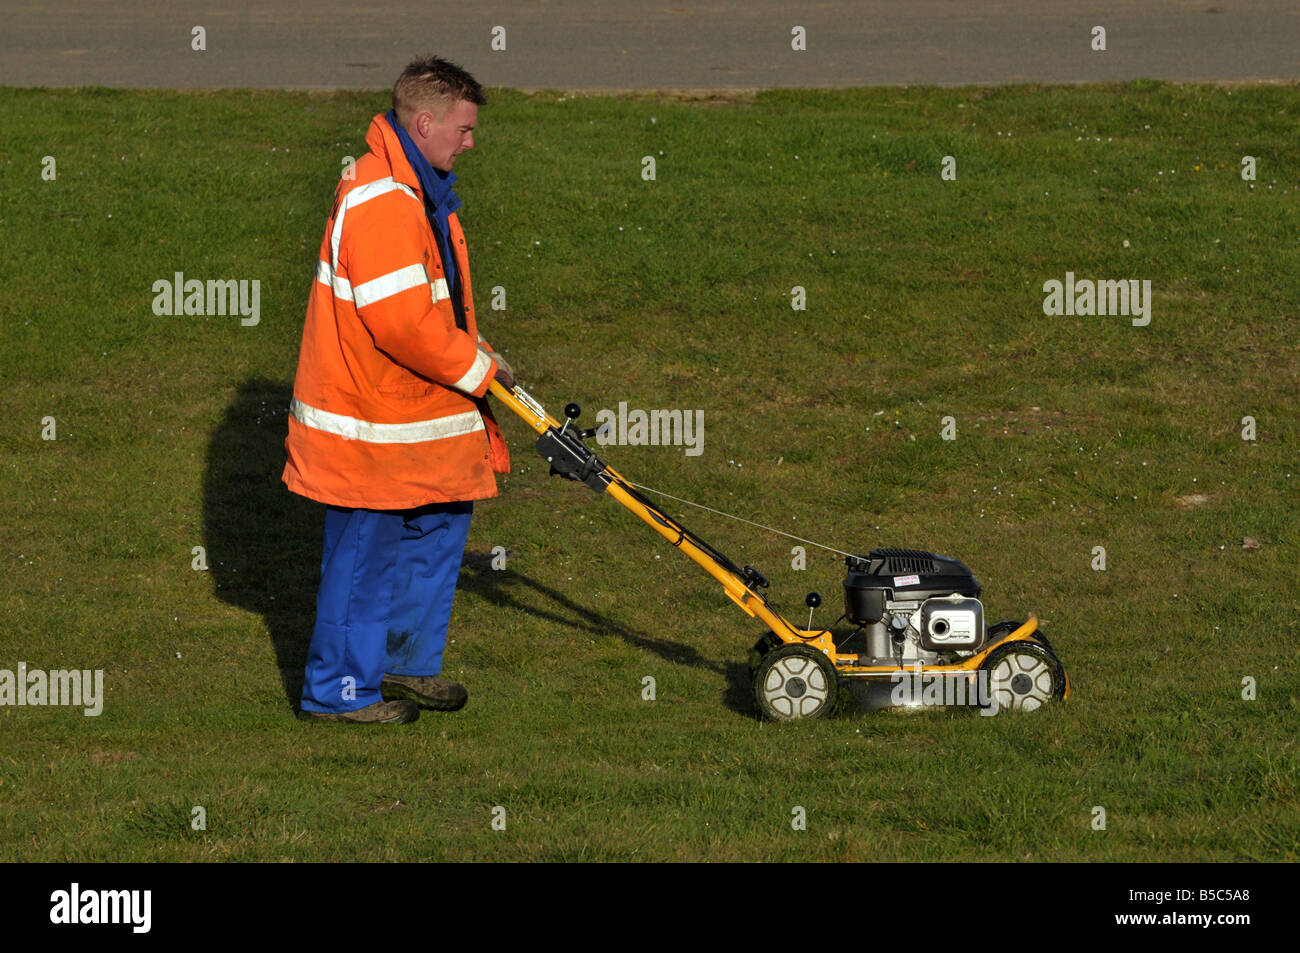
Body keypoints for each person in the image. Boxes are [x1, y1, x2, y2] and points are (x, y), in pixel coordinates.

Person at [283, 55, 515, 724]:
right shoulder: (384, 200)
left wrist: (474, 359)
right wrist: (481, 369)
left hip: (418, 414)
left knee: (435, 527)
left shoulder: (414, 184)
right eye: (464, 130)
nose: (471, 143)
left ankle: (404, 665)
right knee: (364, 558)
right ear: (424, 121)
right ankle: (341, 693)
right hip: (373, 423)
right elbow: (405, 325)